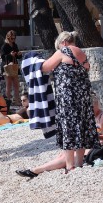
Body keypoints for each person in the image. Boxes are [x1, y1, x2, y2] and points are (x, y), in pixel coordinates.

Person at [16, 94, 103, 179]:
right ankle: (41, 168)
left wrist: (97, 137)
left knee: (68, 156)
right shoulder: (88, 117)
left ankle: (35, 171)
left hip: (99, 147)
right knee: (64, 153)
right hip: (88, 145)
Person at [41, 31, 99, 173]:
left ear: (63, 42)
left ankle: (69, 165)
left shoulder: (63, 51)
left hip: (68, 97)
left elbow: (45, 67)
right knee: (81, 126)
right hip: (83, 96)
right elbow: (86, 68)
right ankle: (79, 163)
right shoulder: (81, 53)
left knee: (69, 128)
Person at [1, 30, 21, 105]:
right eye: (11, 38)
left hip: (14, 66)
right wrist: (10, 55)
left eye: (14, 38)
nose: (13, 40)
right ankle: (8, 102)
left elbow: (18, 57)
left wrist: (18, 54)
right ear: (8, 38)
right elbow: (2, 57)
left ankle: (17, 101)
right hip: (7, 67)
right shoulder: (5, 46)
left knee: (16, 84)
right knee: (8, 85)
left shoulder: (15, 45)